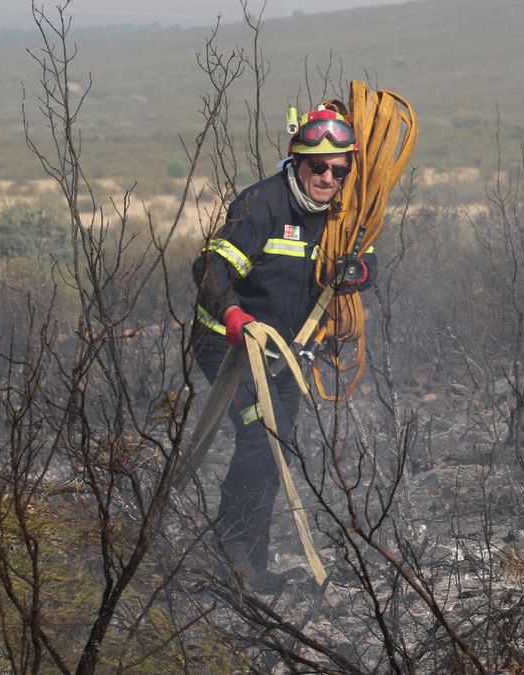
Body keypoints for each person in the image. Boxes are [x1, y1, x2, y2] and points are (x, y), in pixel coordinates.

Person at [191, 105, 373, 590]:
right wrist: (234, 319)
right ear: (296, 160)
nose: (328, 178)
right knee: (259, 435)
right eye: (318, 166)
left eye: (339, 169)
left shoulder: (342, 217)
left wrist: (359, 272)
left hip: (287, 353)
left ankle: (251, 564)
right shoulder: (261, 205)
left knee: (278, 446)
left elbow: (364, 262)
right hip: (227, 345)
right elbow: (209, 270)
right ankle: (232, 561)